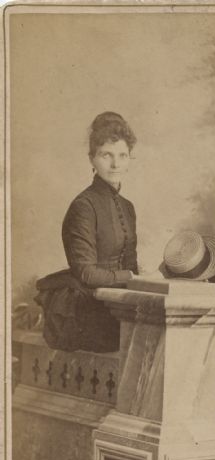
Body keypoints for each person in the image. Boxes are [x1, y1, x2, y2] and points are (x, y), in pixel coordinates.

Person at [35, 112, 138, 353]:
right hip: (87, 306)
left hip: (117, 302)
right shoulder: (84, 206)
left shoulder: (128, 207)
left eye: (122, 155)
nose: (115, 164)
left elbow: (132, 264)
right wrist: (131, 278)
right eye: (106, 155)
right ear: (92, 159)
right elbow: (87, 274)